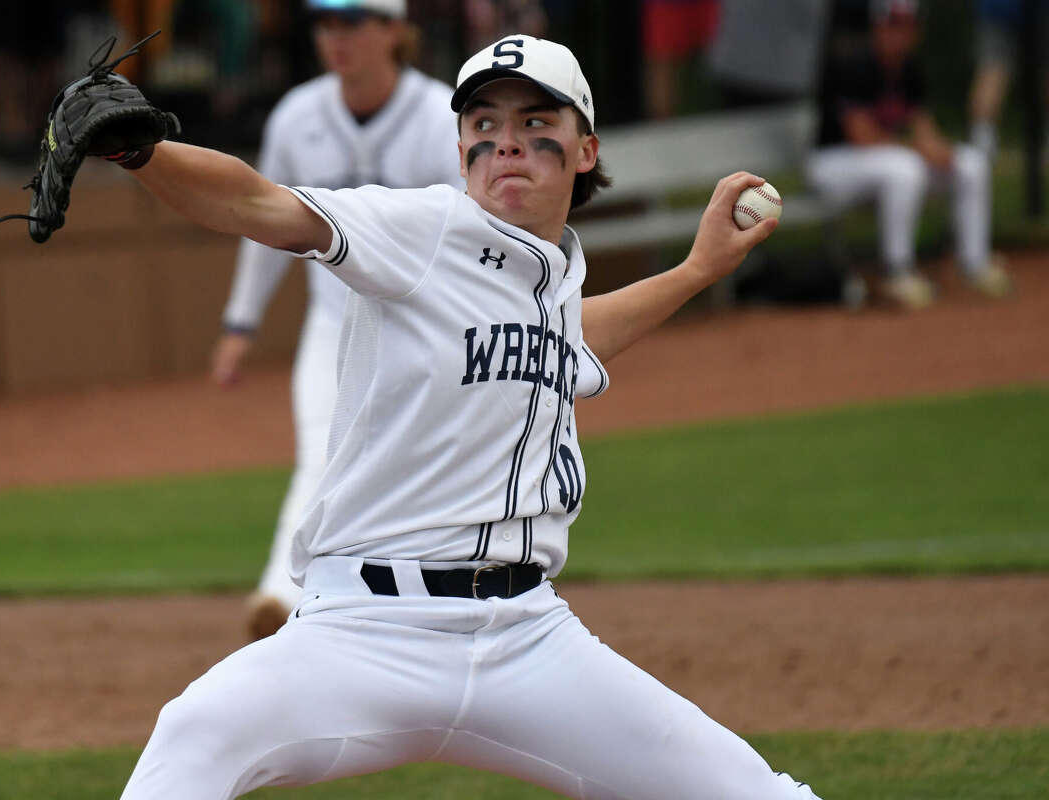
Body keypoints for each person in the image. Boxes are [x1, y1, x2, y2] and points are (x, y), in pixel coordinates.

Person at [97, 31, 819, 799]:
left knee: (756, 791)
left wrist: (698, 270)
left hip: (526, 640)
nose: (507, 142)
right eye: (484, 126)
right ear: (461, 146)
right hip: (364, 633)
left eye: (537, 123)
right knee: (195, 734)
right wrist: (144, 154)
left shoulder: (548, 279)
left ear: (585, 149)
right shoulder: (423, 231)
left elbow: (568, 337)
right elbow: (258, 203)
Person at [209, 0, 465, 642]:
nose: (336, 37)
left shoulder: (441, 116)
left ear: (392, 29)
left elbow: (468, 233)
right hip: (333, 328)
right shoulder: (298, 116)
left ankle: (409, 601)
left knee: (430, 463)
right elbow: (259, 224)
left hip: (425, 327)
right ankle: (280, 594)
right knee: (319, 454)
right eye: (325, 23)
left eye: (352, 21)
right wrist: (241, 323)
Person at [807, 0, 1012, 309]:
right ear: (877, 26)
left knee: (970, 163)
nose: (898, 33)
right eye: (892, 24)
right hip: (833, 164)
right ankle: (897, 271)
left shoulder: (909, 68)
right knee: (905, 167)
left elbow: (921, 126)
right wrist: (920, 148)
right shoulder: (852, 63)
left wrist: (940, 149)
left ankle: (975, 263)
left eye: (906, 25)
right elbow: (861, 136)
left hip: (883, 160)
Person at [967, 0, 1049, 160]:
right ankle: (981, 146)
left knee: (992, 70)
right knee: (993, 72)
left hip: (997, 7)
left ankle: (981, 146)